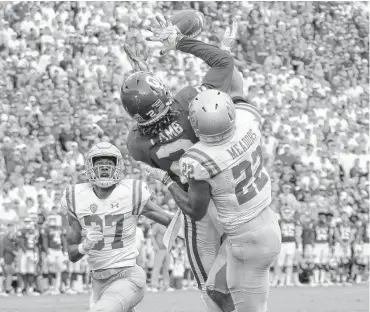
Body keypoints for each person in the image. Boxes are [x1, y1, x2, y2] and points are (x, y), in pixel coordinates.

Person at [121, 18, 239, 312]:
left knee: (210, 289)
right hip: (227, 191)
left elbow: (153, 117)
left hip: (193, 202)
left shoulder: (136, 143)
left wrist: (140, 71)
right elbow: (223, 64)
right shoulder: (188, 99)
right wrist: (180, 42)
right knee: (237, 278)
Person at [146, 89, 281, 312]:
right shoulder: (247, 121)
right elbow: (235, 81)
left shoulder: (199, 159)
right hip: (265, 221)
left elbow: (195, 210)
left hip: (245, 239)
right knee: (214, 293)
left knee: (248, 309)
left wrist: (167, 180)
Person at [64, 142, 173, 312]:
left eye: (109, 164)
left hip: (127, 276)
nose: (105, 168)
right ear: (90, 167)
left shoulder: (130, 192)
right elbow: (71, 253)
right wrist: (84, 246)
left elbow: (169, 220)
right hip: (98, 282)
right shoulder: (76, 197)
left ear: (118, 167)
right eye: (99, 164)